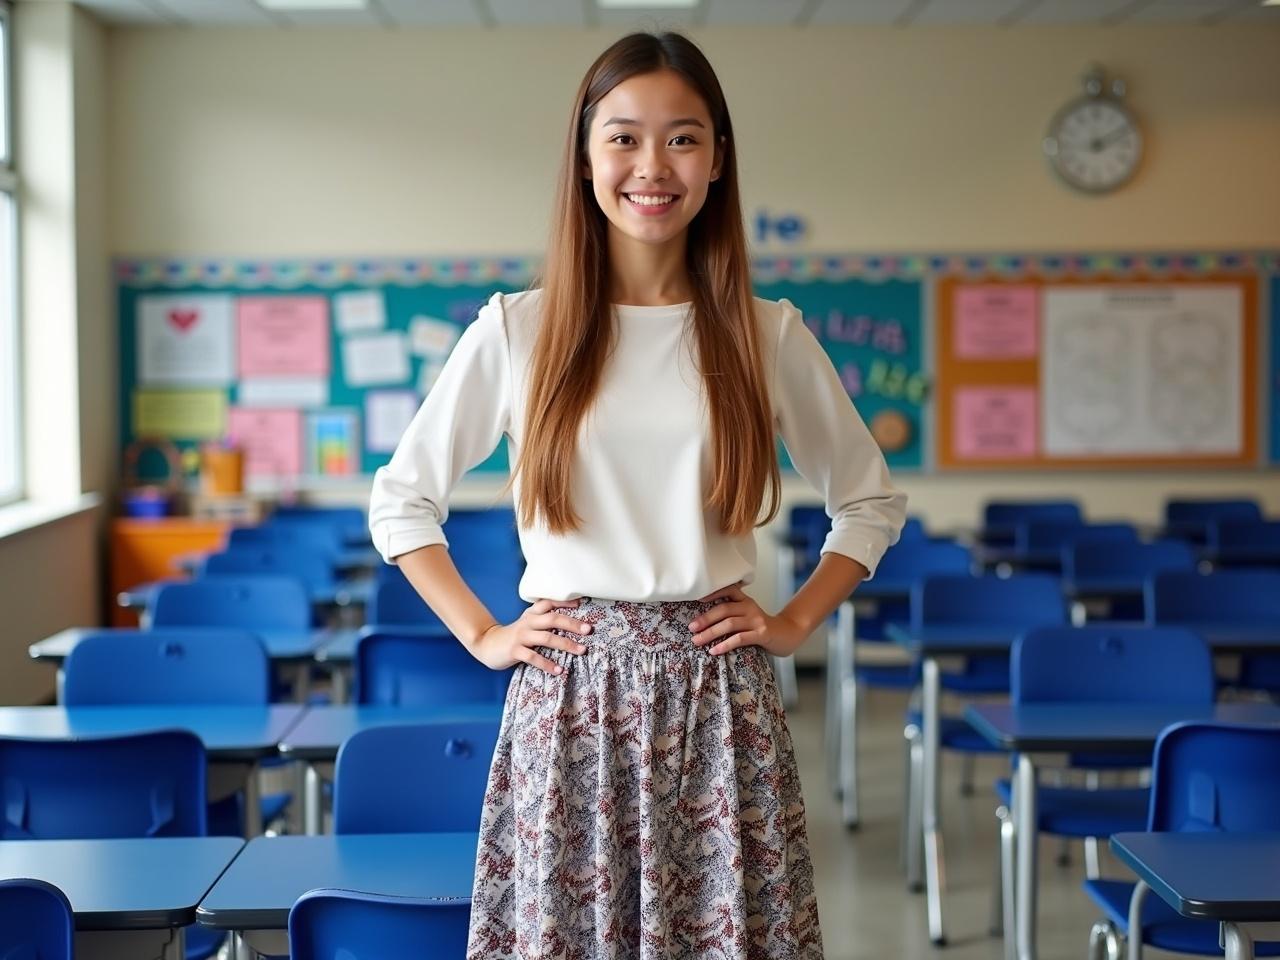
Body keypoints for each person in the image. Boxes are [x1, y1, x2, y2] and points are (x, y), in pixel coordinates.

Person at [368, 29, 907, 960]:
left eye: (683, 137)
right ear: (583, 158)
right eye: (622, 137)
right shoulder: (518, 330)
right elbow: (400, 501)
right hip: (569, 698)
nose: (652, 166)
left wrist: (794, 623)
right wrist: (484, 634)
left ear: (718, 162)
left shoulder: (761, 333)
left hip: (719, 695)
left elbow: (869, 501)